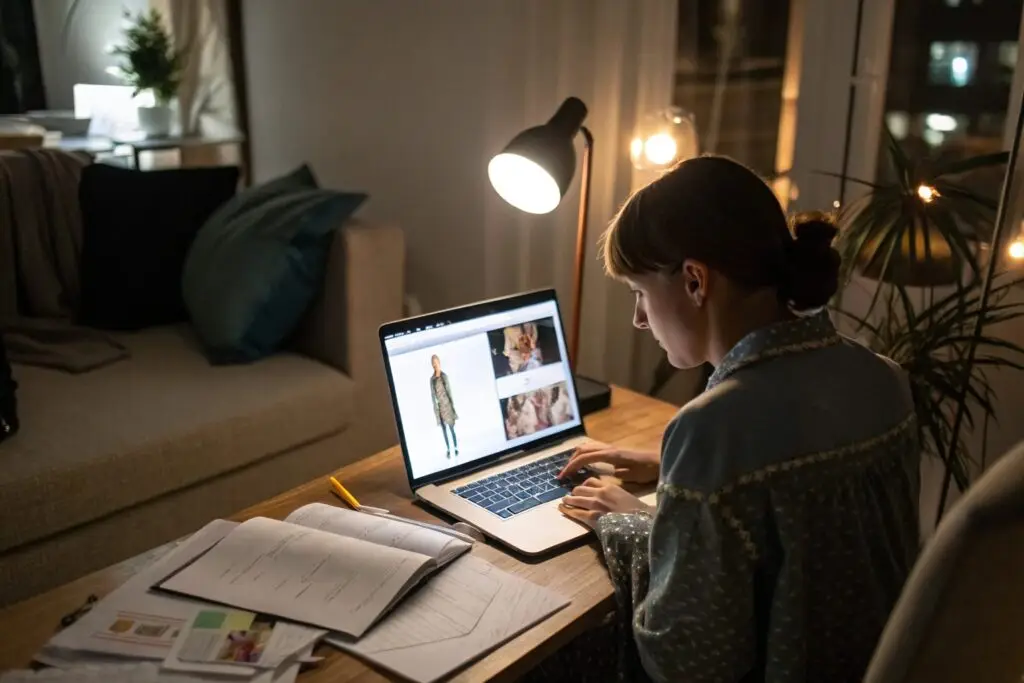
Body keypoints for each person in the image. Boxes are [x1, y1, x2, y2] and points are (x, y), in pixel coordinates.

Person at [535, 156, 920, 682]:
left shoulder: (713, 430)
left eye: (640, 293)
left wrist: (623, 521)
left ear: (694, 281)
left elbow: (683, 659)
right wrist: (669, 467)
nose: (639, 319)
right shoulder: (885, 380)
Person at [429, 354, 458, 458]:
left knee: (451, 428)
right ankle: (449, 450)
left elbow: (450, 393)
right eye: (433, 363)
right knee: (444, 430)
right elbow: (433, 397)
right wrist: (436, 411)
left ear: (439, 363)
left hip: (447, 406)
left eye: (436, 362)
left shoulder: (444, 376)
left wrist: (453, 409)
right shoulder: (432, 380)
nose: (434, 365)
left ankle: (455, 447)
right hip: (440, 408)